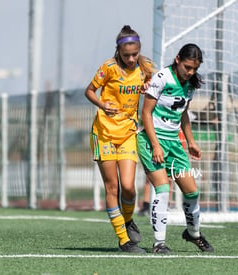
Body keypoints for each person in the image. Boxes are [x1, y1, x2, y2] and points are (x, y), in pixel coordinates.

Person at [137, 43, 214, 254]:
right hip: (151, 141)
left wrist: (191, 142)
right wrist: (155, 145)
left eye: (194, 69)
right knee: (162, 189)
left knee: (192, 192)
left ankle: (193, 233)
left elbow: (184, 114)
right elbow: (146, 113)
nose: (190, 72)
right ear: (178, 59)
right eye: (187, 67)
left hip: (174, 144)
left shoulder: (190, 85)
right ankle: (158, 243)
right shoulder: (162, 78)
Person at [85, 25, 155, 253]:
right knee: (113, 186)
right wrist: (102, 104)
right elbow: (89, 91)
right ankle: (124, 240)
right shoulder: (109, 68)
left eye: (135, 54)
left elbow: (155, 84)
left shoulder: (145, 66)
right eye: (127, 55)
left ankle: (127, 220)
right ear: (118, 51)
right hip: (104, 134)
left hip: (127, 134)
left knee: (129, 187)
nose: (132, 59)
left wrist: (148, 85)